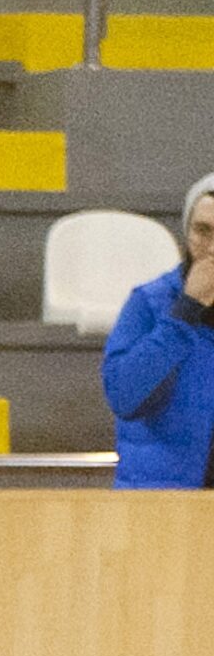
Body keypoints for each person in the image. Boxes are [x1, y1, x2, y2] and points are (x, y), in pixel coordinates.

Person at [101, 173, 214, 490]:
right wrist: (185, 312)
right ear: (186, 232)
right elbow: (125, 397)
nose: (212, 248)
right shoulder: (149, 303)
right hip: (162, 506)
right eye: (203, 231)